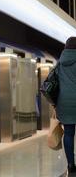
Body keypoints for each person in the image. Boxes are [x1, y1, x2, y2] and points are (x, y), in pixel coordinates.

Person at [56, 37, 76, 174]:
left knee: (68, 133)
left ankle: (70, 164)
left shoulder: (60, 63)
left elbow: (54, 82)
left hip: (64, 102)